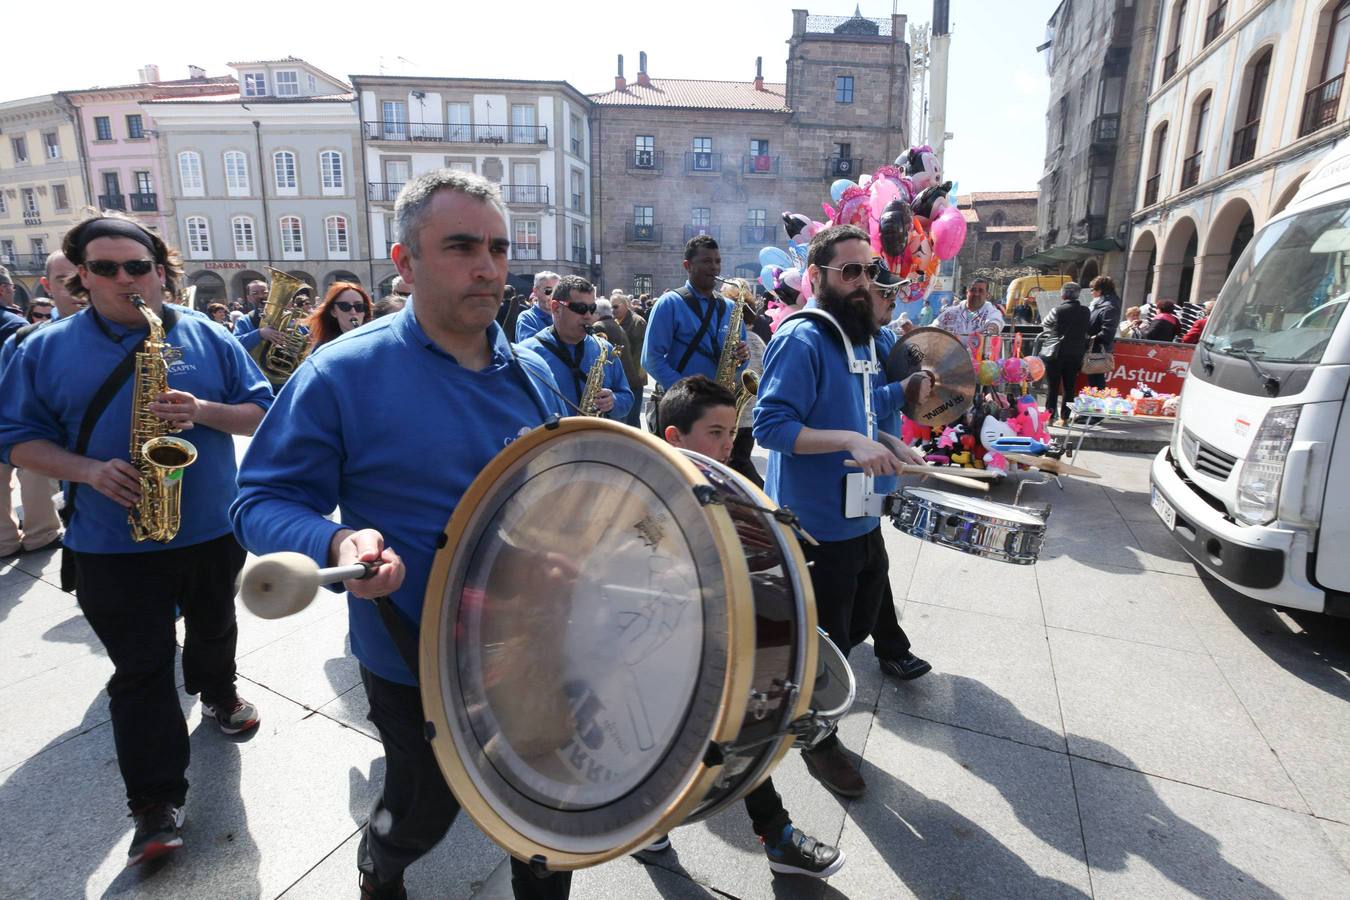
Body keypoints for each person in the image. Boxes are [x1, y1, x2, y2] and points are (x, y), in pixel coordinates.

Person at [231, 170, 575, 900]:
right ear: (405, 260)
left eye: (498, 248)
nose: (487, 266)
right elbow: (261, 497)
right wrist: (339, 544)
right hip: (413, 654)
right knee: (423, 812)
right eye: (460, 247)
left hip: (535, 647)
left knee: (548, 823)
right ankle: (381, 868)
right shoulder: (342, 372)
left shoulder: (538, 370)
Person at [0, 213, 273, 866]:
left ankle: (217, 691)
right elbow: (16, 438)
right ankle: (156, 803)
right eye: (105, 268)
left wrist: (202, 411)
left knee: (213, 626)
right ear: (80, 277)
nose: (125, 280)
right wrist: (89, 470)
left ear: (160, 272)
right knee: (142, 669)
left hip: (209, 530)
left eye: (138, 267)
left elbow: (264, 411)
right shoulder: (40, 349)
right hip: (110, 545)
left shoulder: (207, 334)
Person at [754, 225, 929, 798]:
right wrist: (851, 443)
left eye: (868, 269)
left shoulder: (858, 339)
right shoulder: (803, 339)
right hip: (814, 526)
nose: (862, 282)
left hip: (861, 514)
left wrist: (885, 437)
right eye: (848, 271)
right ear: (816, 279)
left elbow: (856, 407)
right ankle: (817, 740)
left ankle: (817, 709)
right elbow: (772, 426)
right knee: (824, 644)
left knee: (857, 627)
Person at [654, 375, 845, 878]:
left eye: (733, 431)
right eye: (716, 432)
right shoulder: (649, 490)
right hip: (656, 652)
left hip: (712, 647)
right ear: (675, 437)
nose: (730, 442)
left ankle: (775, 836)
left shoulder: (730, 480)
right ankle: (655, 832)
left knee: (733, 734)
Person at [640, 235, 748, 432]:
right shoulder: (669, 303)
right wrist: (686, 394)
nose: (715, 267)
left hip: (717, 408)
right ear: (687, 266)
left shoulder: (732, 307)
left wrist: (743, 357)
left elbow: (740, 364)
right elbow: (651, 359)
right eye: (707, 261)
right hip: (681, 409)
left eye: (718, 261)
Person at [521, 276, 632, 419]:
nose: (588, 316)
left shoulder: (604, 348)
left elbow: (627, 397)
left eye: (592, 308)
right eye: (580, 308)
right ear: (556, 308)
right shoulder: (528, 354)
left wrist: (613, 401)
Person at [1039, 282, 1092, 426]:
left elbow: (1046, 323)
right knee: (1070, 388)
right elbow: (1088, 327)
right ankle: (1065, 418)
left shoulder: (1057, 310)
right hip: (1075, 354)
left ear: (1063, 295)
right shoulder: (1086, 311)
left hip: (1056, 353)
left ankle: (1050, 417)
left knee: (1053, 387)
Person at [612, 292, 648, 428]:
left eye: (615, 307)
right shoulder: (614, 322)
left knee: (632, 419)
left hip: (633, 379)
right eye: (611, 307)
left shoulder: (638, 322)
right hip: (620, 378)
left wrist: (636, 378)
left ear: (626, 306)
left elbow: (641, 354)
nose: (612, 310)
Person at [305, 281, 372, 348]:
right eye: (345, 306)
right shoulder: (323, 347)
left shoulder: (373, 341)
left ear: (364, 311)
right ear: (333, 312)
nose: (353, 311)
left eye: (359, 306)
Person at [1085, 275, 1122, 391]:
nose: (1091, 292)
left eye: (1092, 289)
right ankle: (1095, 403)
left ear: (1099, 291)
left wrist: (1090, 339)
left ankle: (1097, 405)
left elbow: (1108, 331)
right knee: (1094, 380)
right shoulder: (1102, 304)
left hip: (1098, 348)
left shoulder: (1109, 306)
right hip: (1095, 346)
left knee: (1096, 381)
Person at [935, 277, 1004, 338]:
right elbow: (934, 327)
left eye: (981, 291)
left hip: (977, 352)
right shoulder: (951, 311)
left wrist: (990, 331)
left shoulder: (991, 312)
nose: (976, 294)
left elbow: (995, 323)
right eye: (973, 290)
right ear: (967, 292)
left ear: (987, 295)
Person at [514, 270, 560, 342]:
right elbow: (531, 349)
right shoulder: (526, 318)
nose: (553, 295)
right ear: (535, 291)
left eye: (557, 291)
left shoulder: (564, 315)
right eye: (548, 290)